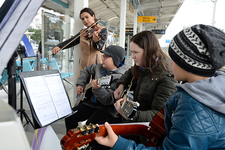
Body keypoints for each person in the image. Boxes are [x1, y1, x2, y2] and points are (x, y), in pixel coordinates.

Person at [95, 24, 225, 150]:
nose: (170, 62)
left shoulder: (193, 108)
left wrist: (119, 143)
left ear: (187, 65)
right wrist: (122, 84)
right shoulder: (205, 91)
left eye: (175, 59)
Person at [114, 30, 177, 123]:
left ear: (149, 51)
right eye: (131, 52)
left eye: (136, 52)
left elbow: (158, 115)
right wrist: (121, 84)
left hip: (145, 129)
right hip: (137, 120)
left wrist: (129, 114)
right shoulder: (145, 65)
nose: (132, 56)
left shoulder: (166, 76)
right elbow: (131, 71)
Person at [65, 45, 129, 132]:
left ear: (115, 59)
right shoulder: (99, 67)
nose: (102, 58)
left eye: (106, 57)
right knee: (69, 116)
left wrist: (97, 89)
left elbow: (107, 100)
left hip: (107, 108)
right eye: (103, 56)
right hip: (92, 103)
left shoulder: (122, 78)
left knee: (90, 127)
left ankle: (88, 144)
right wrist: (81, 84)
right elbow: (87, 69)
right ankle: (70, 142)